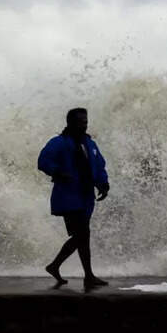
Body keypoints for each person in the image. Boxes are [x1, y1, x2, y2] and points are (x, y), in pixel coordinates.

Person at [37, 107, 110, 289]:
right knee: (83, 234)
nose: (84, 125)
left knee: (81, 236)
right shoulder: (59, 142)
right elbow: (43, 161)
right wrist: (58, 172)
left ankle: (58, 267)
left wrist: (103, 184)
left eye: (85, 122)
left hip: (86, 197)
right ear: (70, 123)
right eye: (80, 122)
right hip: (68, 196)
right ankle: (87, 275)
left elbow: (100, 166)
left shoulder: (90, 144)